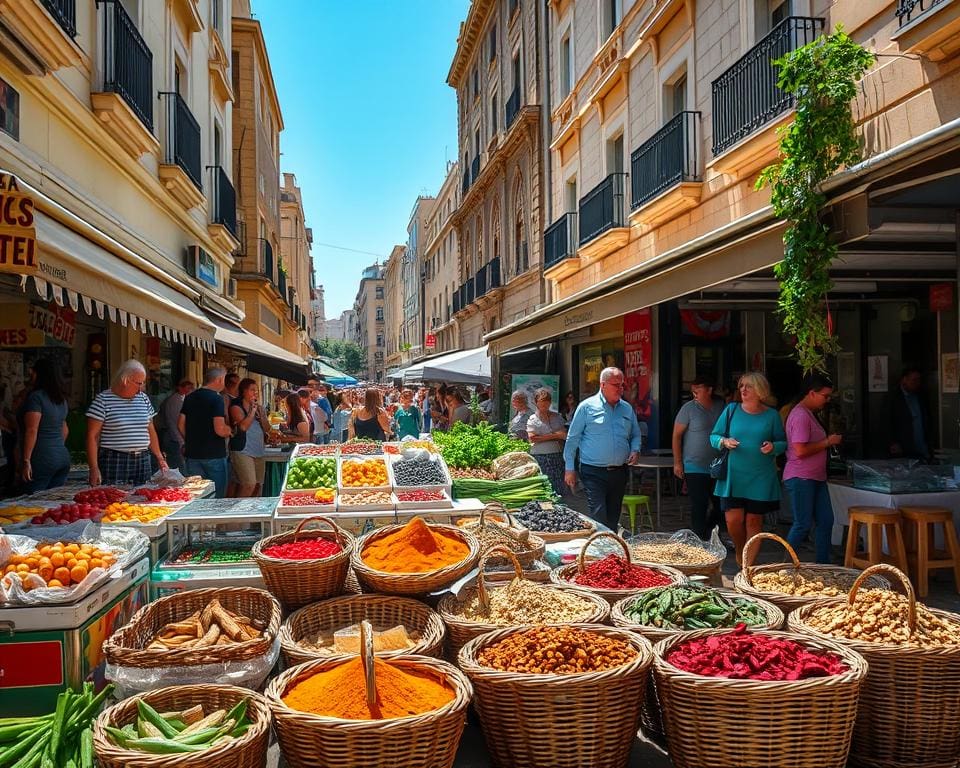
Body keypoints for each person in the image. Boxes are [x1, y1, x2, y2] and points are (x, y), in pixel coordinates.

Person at [710, 372, 787, 565]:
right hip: (733, 477)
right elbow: (714, 437)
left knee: (754, 521)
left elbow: (782, 442)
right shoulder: (731, 410)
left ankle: (747, 566)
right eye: (742, 386)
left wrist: (773, 447)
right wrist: (724, 441)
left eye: (748, 386)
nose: (743, 389)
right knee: (733, 521)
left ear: (760, 391)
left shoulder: (772, 415)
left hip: (760, 476)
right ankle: (740, 551)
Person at [563, 367, 642, 530]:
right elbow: (572, 439)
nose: (620, 389)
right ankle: (599, 548)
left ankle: (611, 552)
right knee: (599, 515)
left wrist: (635, 449)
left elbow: (635, 434)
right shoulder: (586, 407)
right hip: (593, 471)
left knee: (613, 516)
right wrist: (569, 468)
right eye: (616, 385)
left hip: (620, 471)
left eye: (622, 385)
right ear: (603, 385)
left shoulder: (626, 408)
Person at [784, 373, 842, 564]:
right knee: (802, 524)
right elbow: (800, 450)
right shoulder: (801, 415)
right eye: (825, 396)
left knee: (826, 521)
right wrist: (828, 442)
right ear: (811, 393)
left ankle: (822, 564)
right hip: (802, 476)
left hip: (816, 477)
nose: (827, 400)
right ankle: (783, 565)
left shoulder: (810, 414)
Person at [86, 360, 167, 486]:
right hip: (114, 459)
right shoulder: (103, 400)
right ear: (125, 380)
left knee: (143, 499)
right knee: (116, 499)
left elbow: (150, 430)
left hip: (142, 458)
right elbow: (92, 436)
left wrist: (159, 457)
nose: (141, 389)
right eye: (138, 383)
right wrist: (94, 468)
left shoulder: (143, 399)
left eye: (143, 383)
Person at [672, 376, 726, 540]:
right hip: (694, 466)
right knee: (699, 504)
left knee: (720, 505)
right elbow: (676, 436)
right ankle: (699, 539)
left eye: (698, 389)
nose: (694, 393)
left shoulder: (721, 406)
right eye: (692, 390)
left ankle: (709, 532)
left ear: (709, 390)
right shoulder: (688, 409)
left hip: (717, 466)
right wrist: (678, 462)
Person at [178, 367, 232, 497]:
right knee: (216, 496)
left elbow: (180, 424)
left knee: (197, 496)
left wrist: (191, 440)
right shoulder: (216, 398)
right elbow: (219, 429)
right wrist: (228, 430)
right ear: (219, 379)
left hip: (193, 454)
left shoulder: (189, 397)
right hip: (214, 454)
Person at [20, 358, 70, 493]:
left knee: (32, 503)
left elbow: (31, 430)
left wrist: (26, 460)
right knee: (52, 504)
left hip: (42, 458)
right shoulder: (61, 400)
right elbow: (64, 430)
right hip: (62, 457)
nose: (31, 375)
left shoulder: (36, 398)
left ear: (40, 374)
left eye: (33, 372)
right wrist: (56, 449)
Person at [229, 378, 272, 498]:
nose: (256, 393)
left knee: (258, 485)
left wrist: (262, 415)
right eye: (252, 390)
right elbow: (243, 427)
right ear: (244, 391)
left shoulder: (259, 408)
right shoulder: (236, 406)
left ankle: (253, 513)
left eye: (257, 390)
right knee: (249, 484)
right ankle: (239, 513)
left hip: (258, 449)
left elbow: (267, 428)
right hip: (243, 450)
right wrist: (252, 412)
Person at [527, 388, 567, 496]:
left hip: (556, 455)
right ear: (536, 403)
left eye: (547, 403)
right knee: (543, 485)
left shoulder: (557, 417)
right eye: (541, 404)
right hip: (540, 456)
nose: (544, 406)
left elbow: (564, 435)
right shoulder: (533, 419)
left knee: (557, 486)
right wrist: (555, 435)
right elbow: (532, 438)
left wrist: (543, 437)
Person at [889, 367, 931, 460]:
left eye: (919, 380)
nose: (917, 383)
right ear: (904, 380)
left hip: (922, 447)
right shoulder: (892, 398)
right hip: (904, 449)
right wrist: (893, 442)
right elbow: (886, 422)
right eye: (914, 380)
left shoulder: (920, 396)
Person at [158, 379, 194, 473]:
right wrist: (182, 442)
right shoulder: (176, 401)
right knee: (180, 471)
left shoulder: (180, 399)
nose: (190, 390)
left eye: (191, 388)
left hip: (175, 438)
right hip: (175, 439)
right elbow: (176, 423)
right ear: (180, 388)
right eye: (187, 388)